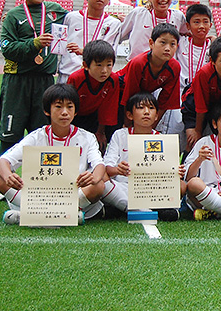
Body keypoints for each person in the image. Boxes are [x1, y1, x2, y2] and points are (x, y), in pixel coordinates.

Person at [0, 84, 105, 224]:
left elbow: (99, 164)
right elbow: (3, 160)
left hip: (71, 195)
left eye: (70, 107)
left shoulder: (87, 137)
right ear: (47, 110)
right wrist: (9, 177)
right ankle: (67, 215)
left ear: (76, 111)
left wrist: (93, 177)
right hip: (37, 197)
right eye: (58, 106)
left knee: (98, 185)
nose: (65, 112)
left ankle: (29, 214)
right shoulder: (36, 136)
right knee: (0, 177)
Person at [0, 0, 68, 154]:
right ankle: (3, 181)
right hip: (17, 82)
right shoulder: (13, 15)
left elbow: (81, 20)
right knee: (10, 134)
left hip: (45, 82)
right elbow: (8, 49)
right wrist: (34, 43)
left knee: (43, 135)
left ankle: (38, 183)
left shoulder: (56, 12)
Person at [101, 92, 184, 221]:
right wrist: (118, 170)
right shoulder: (120, 135)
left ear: (157, 116)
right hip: (124, 187)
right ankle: (147, 210)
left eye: (151, 108)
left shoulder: (162, 139)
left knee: (182, 185)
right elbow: (107, 168)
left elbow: (169, 173)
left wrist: (176, 172)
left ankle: (121, 207)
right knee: (101, 181)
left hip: (152, 188)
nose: (146, 112)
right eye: (140, 108)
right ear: (129, 115)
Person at [58, 0, 121, 82]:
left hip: (96, 77)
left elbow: (107, 53)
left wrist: (83, 52)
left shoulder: (114, 24)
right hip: (68, 74)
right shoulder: (71, 17)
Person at [119, 23, 181, 128]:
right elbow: (129, 95)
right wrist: (128, 124)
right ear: (151, 43)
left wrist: (152, 126)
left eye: (172, 44)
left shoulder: (175, 67)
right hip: (120, 91)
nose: (167, 48)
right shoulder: (138, 63)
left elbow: (165, 101)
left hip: (141, 96)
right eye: (163, 43)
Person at [67, 40, 120, 150]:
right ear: (86, 65)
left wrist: (100, 132)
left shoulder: (113, 80)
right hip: (75, 116)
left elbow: (108, 109)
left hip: (95, 117)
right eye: (99, 65)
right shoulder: (76, 79)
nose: (104, 71)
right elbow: (68, 106)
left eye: (109, 65)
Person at [119, 0, 187, 61]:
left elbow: (189, 34)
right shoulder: (137, 14)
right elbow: (118, 36)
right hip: (138, 68)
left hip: (166, 68)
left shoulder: (178, 17)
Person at [176, 3, 213, 94]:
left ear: (210, 25)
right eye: (196, 22)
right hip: (181, 92)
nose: (201, 26)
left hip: (203, 93)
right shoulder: (179, 42)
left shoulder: (213, 47)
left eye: (205, 22)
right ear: (188, 26)